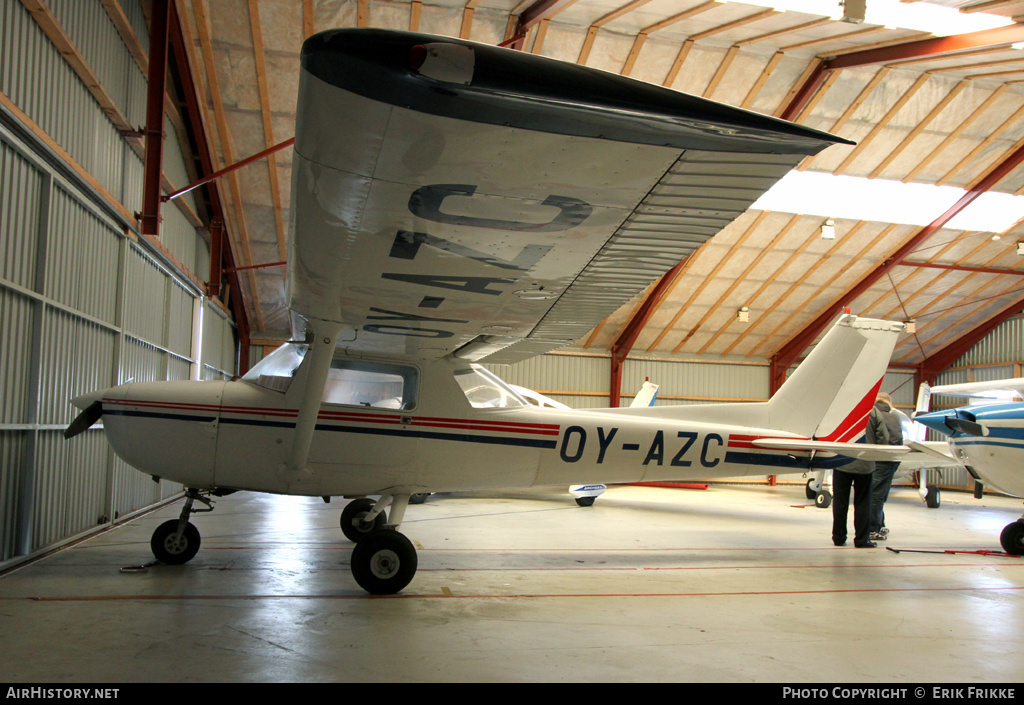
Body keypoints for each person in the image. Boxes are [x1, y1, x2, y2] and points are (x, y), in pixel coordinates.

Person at [832, 399, 886, 548]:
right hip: (865, 463)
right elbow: (883, 437)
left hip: (841, 461)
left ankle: (838, 537)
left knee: (840, 502)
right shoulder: (873, 411)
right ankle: (862, 539)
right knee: (863, 502)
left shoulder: (841, 409)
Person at [869, 392, 904, 541]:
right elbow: (897, 439)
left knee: (875, 493)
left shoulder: (870, 415)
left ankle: (879, 524)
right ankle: (873, 528)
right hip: (887, 459)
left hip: (871, 458)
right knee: (879, 495)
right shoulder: (893, 417)